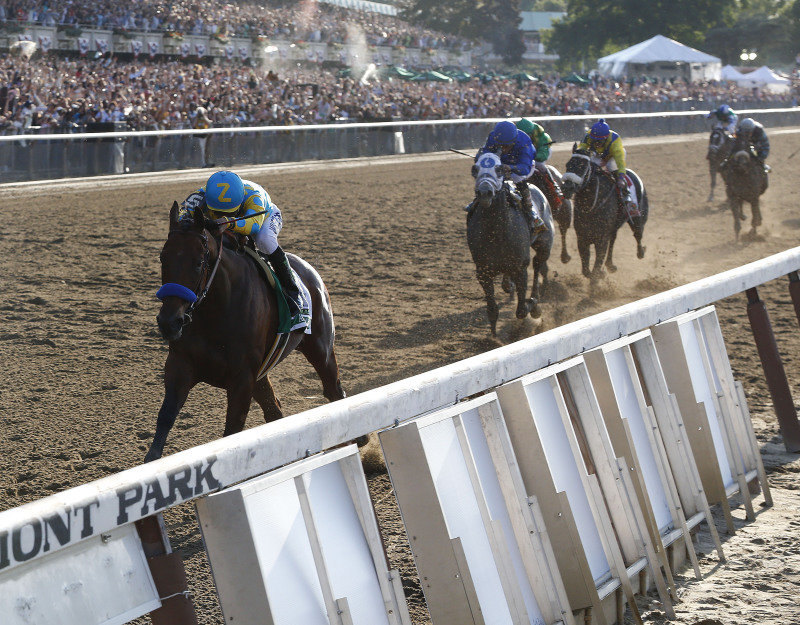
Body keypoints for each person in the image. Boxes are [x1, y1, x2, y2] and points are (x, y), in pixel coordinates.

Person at [180, 170, 303, 321]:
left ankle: (292, 289)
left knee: (265, 241)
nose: (219, 215)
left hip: (264, 217)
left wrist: (228, 222)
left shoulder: (255, 197)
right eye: (216, 212)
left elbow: (253, 226)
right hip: (234, 220)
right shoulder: (199, 195)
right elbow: (181, 215)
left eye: (225, 212)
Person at [470, 120, 547, 236]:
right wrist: (480, 157)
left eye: (506, 146)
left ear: (514, 141)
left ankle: (531, 211)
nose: (502, 148)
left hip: (522, 166)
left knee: (517, 178)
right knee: (486, 176)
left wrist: (510, 167)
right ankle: (477, 200)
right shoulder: (493, 137)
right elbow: (484, 153)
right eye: (500, 145)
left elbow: (525, 168)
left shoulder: (524, 142)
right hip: (500, 163)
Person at [577, 118, 639, 218]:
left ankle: (630, 201)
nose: (596, 143)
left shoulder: (615, 141)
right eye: (595, 140)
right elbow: (581, 151)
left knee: (611, 166)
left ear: (605, 138)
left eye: (599, 141)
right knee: (589, 163)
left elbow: (620, 163)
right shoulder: (588, 136)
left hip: (613, 157)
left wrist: (621, 177)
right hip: (598, 155)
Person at [515, 117, 564, 210]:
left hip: (540, 153)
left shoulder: (542, 137)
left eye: (528, 134)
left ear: (531, 132)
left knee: (540, 165)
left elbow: (543, 154)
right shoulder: (515, 136)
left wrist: (531, 157)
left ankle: (555, 187)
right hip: (527, 155)